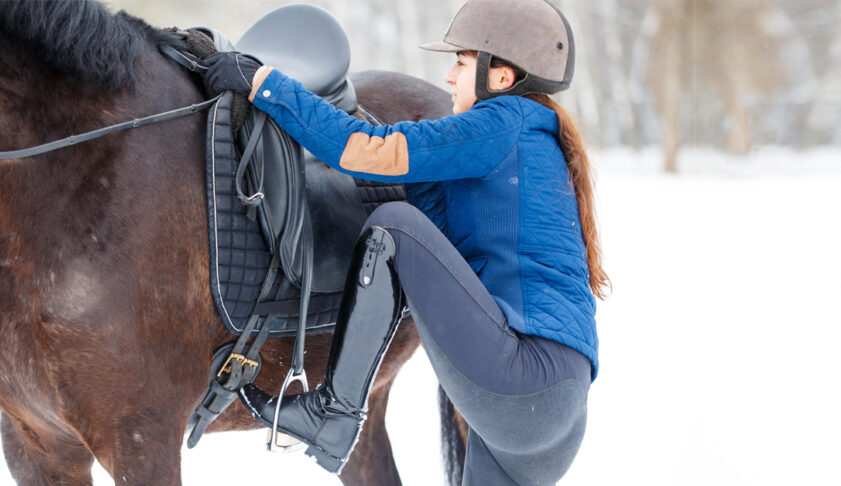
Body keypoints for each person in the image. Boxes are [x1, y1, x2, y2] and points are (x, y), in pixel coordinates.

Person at [203, 0, 609, 483]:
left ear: (500, 78)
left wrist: (264, 84)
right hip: (556, 413)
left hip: (521, 382)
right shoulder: (535, 139)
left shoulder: (502, 122)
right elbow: (427, 209)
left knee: (393, 226)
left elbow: (362, 151)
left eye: (461, 62)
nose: (449, 78)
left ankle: (335, 412)